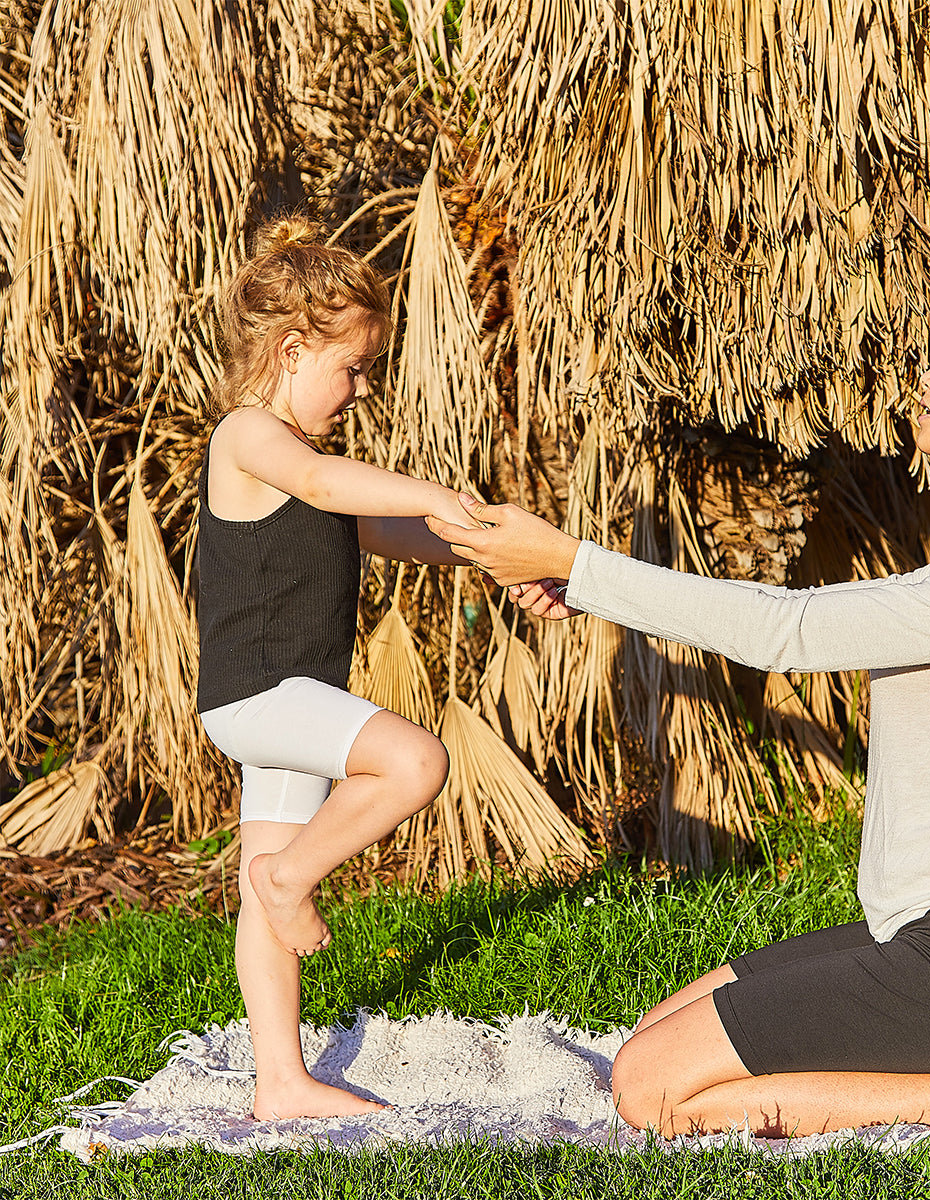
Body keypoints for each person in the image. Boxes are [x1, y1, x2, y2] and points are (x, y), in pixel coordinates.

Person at [426, 288, 930, 1136]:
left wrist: (577, 559)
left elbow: (785, 632)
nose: (929, 374)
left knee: (650, 1088)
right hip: (929, 933)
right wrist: (581, 583)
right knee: (654, 1036)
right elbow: (800, 613)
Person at [196, 216, 475, 1121]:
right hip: (261, 695)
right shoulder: (247, 437)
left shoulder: (304, 459)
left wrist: (475, 544)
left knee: (266, 863)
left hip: (284, 699)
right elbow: (324, 490)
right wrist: (435, 489)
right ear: (288, 350)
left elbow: (372, 526)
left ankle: (280, 1083)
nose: (360, 389)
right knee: (414, 763)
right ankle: (288, 881)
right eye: (350, 368)